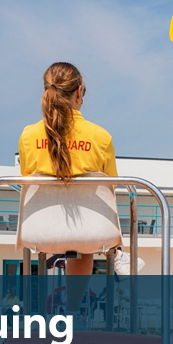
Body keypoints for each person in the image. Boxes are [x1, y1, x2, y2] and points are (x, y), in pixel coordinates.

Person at [18, 62, 117, 325]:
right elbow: (112, 186)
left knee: (68, 234)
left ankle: (35, 314)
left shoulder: (29, 135)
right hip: (88, 231)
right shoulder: (100, 136)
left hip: (40, 229)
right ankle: (72, 311)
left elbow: (29, 178)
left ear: (45, 92)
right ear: (79, 92)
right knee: (84, 246)